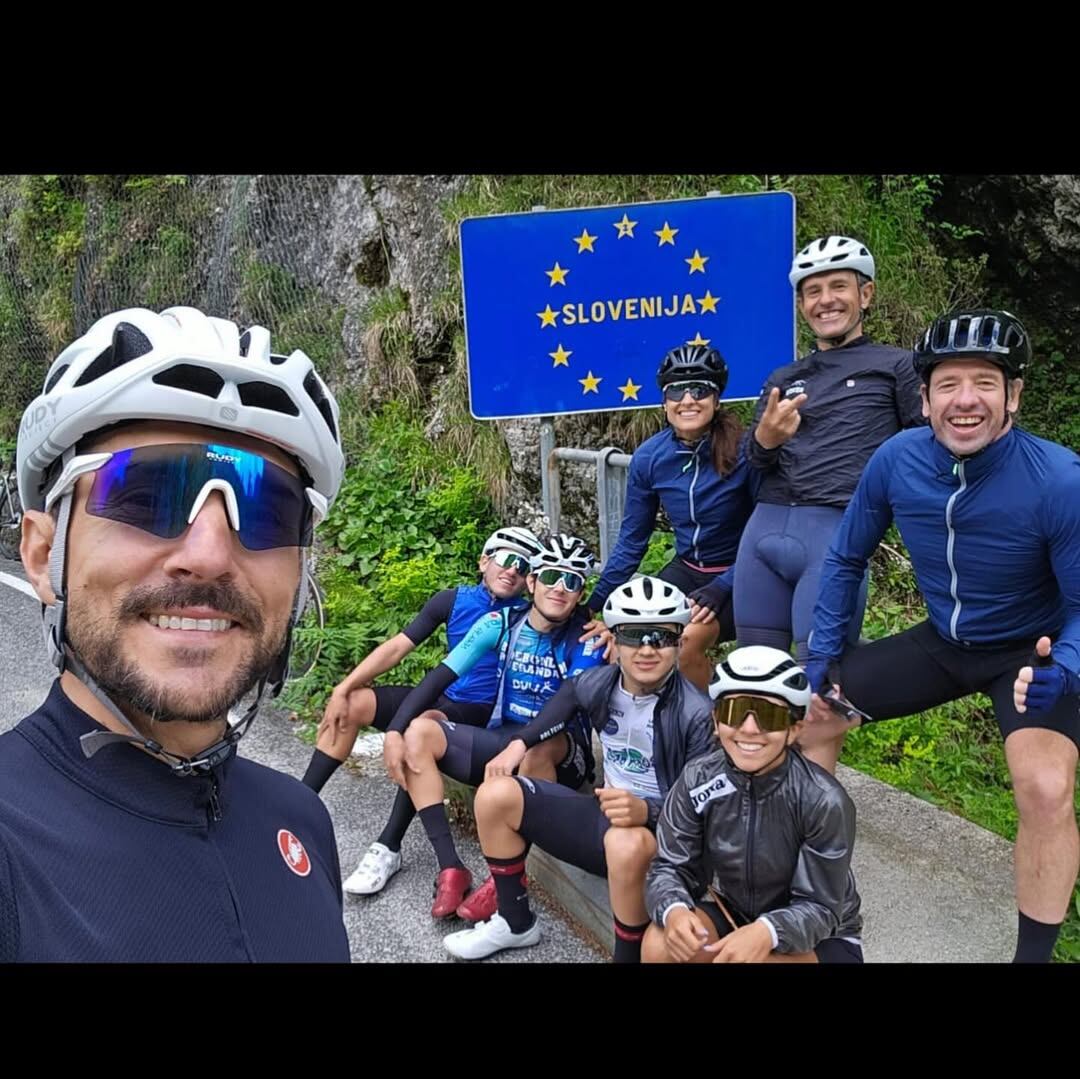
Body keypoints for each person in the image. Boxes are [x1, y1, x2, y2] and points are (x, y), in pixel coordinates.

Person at [0, 306, 351, 962]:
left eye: (270, 509)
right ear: (45, 554)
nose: (211, 555)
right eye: (146, 490)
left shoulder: (302, 820)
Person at [802, 309, 1080, 964]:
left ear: (1013, 394)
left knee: (1044, 786)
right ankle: (817, 902)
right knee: (812, 721)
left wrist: (1063, 666)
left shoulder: (1060, 479)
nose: (964, 400)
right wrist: (823, 652)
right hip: (942, 641)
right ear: (922, 397)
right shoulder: (897, 459)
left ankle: (1032, 958)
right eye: (947, 382)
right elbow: (846, 557)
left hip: (1028, 653)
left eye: (984, 382)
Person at [441, 575, 713, 961]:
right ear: (613, 641)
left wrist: (647, 810)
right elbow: (565, 698)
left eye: (662, 637)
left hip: (662, 844)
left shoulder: (698, 714)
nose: (647, 649)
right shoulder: (602, 683)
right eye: (634, 636)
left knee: (626, 839)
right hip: (606, 818)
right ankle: (515, 922)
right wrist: (517, 745)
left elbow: (705, 808)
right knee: (497, 793)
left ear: (680, 643)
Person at [301, 525, 538, 896]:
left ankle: (388, 846)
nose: (512, 571)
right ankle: (297, 803)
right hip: (442, 694)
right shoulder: (453, 599)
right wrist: (342, 687)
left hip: (478, 710)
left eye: (523, 567)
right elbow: (398, 647)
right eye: (505, 560)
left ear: (530, 580)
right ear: (484, 562)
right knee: (352, 704)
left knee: (421, 728)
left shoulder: (530, 614)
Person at [383, 533, 606, 918]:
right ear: (532, 582)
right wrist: (394, 730)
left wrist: (519, 744)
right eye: (552, 576)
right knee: (420, 730)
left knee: (538, 748)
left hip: (562, 754)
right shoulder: (499, 622)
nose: (560, 588)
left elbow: (567, 701)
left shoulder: (586, 640)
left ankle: (501, 882)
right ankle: (451, 868)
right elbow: (441, 677)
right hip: (505, 739)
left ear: (580, 594)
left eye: (572, 581)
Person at [734, 235, 924, 667]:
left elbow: (927, 450)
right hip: (762, 531)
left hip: (835, 533)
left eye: (838, 286)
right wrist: (766, 439)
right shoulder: (784, 375)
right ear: (801, 305)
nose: (826, 301)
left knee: (819, 683)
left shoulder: (898, 366)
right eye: (813, 291)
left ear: (866, 294)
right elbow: (755, 463)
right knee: (756, 680)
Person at [641, 646, 863, 964]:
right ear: (717, 722)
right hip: (734, 909)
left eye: (769, 716)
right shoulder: (697, 777)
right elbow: (670, 866)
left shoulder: (824, 799)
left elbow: (821, 907)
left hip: (823, 932)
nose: (749, 729)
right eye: (734, 712)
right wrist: (675, 910)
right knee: (660, 944)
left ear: (794, 730)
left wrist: (767, 930)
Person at [583, 344, 757, 690]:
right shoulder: (651, 457)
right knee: (624, 638)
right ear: (664, 402)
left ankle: (714, 727)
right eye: (677, 390)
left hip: (744, 573)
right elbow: (633, 539)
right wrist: (595, 604)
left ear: (717, 399)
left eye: (701, 390)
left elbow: (767, 532)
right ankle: (654, 719)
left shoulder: (747, 450)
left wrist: (724, 586)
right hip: (688, 568)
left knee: (684, 644)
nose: (688, 399)